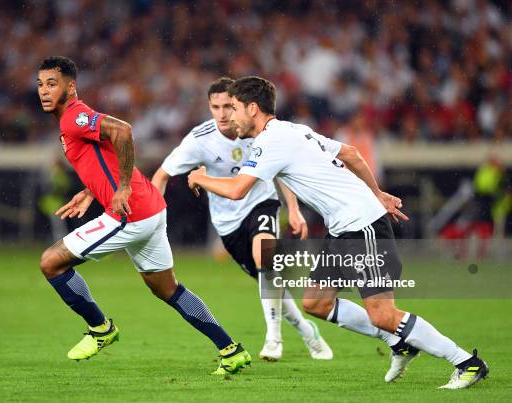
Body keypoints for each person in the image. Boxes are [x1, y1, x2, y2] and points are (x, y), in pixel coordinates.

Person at [187, 76, 489, 389]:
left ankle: (466, 362)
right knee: (316, 302)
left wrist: (200, 178)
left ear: (252, 108)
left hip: (362, 226)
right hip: (343, 229)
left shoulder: (270, 141)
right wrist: (378, 193)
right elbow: (350, 154)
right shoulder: (294, 129)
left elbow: (237, 190)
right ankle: (400, 343)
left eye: (234, 108)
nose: (230, 116)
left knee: (383, 313)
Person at [36, 56, 250, 375]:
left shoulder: (73, 117)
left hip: (129, 214)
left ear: (70, 87)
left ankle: (100, 329)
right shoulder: (72, 121)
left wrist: (121, 188)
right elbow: (104, 155)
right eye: (40, 84)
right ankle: (231, 350)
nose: (44, 90)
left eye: (52, 84)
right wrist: (91, 190)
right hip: (151, 207)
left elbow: (123, 130)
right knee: (168, 289)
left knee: (51, 262)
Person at [152, 77, 332, 361]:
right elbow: (162, 175)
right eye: (216, 107)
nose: (223, 114)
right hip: (228, 224)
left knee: (266, 260)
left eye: (228, 106)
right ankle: (306, 330)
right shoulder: (199, 140)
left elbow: (280, 169)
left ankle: (273, 339)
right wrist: (153, 215)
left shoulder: (259, 130)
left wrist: (293, 208)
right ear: (209, 107)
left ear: (240, 106)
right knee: (269, 282)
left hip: (261, 203)